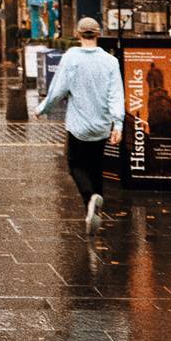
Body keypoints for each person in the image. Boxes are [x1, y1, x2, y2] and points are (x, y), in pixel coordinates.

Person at [37, 17, 124, 234]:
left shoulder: (71, 57)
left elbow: (58, 90)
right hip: (102, 125)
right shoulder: (110, 61)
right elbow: (116, 94)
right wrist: (118, 124)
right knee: (96, 167)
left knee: (75, 164)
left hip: (78, 124)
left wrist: (43, 109)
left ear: (78, 34)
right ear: (98, 33)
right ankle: (95, 213)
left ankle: (89, 198)